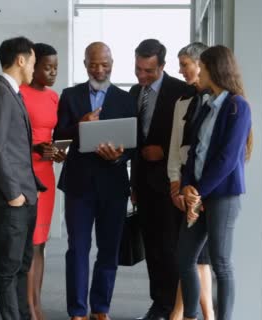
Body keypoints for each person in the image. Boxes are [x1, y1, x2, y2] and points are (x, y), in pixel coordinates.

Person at [54, 42, 136, 320]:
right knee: (77, 248)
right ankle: (77, 311)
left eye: (105, 64)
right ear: (85, 63)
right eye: (94, 64)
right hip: (78, 186)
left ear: (112, 62)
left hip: (113, 185)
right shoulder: (69, 96)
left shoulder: (126, 99)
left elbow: (134, 145)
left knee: (108, 249)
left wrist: (118, 157)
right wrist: (81, 125)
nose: (100, 70)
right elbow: (59, 140)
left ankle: (100, 309)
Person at [178, 45, 253, 320]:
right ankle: (191, 315)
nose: (199, 71)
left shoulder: (237, 106)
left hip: (222, 196)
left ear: (214, 69)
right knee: (184, 257)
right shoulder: (207, 104)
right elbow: (194, 149)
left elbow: (228, 158)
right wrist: (187, 184)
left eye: (203, 67)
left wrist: (198, 190)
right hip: (198, 193)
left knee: (221, 262)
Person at [0, 36, 47, 320]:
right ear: (20, 60)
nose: (34, 68)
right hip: (13, 201)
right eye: (32, 62)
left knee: (21, 265)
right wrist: (13, 194)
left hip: (25, 197)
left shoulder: (12, 93)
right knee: (7, 269)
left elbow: (13, 145)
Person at [130, 39, 195, 320]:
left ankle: (172, 305)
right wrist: (132, 184)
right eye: (138, 69)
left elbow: (190, 138)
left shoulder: (180, 92)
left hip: (170, 182)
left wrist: (164, 151)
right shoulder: (134, 92)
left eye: (149, 71)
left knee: (169, 246)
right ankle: (159, 302)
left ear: (162, 66)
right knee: (152, 247)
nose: (142, 76)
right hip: (143, 182)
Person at [167, 42, 214, 320]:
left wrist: (198, 190)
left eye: (185, 64)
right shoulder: (183, 103)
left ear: (201, 65)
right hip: (183, 184)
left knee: (198, 257)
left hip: (203, 187)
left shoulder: (216, 103)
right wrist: (175, 183)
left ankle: (185, 312)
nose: (181, 70)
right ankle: (203, 314)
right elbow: (175, 148)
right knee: (193, 257)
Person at [19, 42, 65, 320]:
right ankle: (29, 308)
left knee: (41, 243)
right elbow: (10, 139)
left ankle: (38, 304)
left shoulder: (53, 97)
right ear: (33, 67)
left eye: (56, 68)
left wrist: (57, 152)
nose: (52, 73)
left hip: (46, 171)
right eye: (47, 67)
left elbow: (52, 134)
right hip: (26, 171)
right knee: (29, 243)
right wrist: (35, 149)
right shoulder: (19, 94)